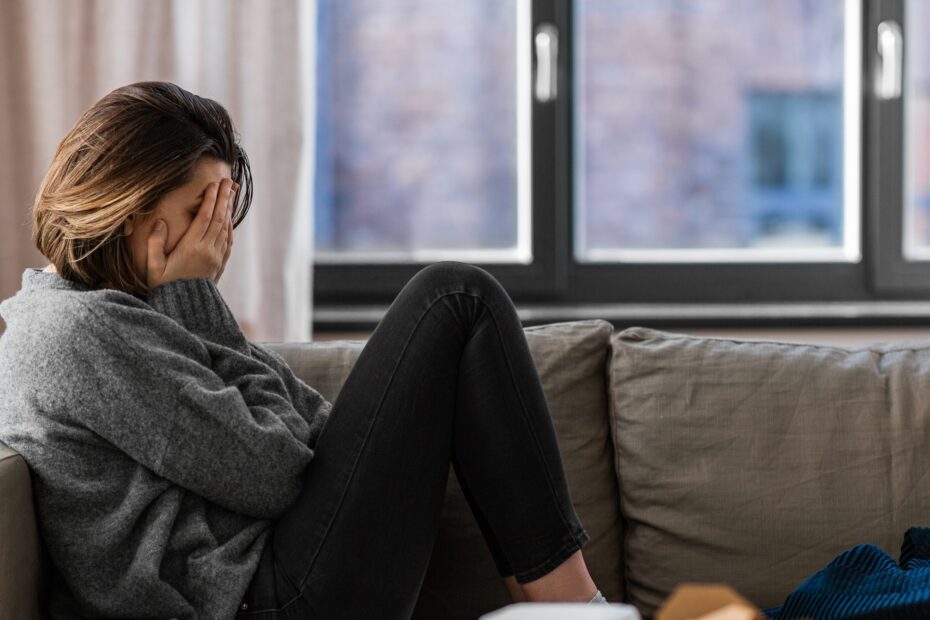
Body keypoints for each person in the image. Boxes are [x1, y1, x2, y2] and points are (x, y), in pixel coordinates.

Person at [0, 81, 605, 619]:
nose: (218, 240)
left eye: (222, 214)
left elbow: (310, 429)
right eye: (199, 212)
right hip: (261, 601)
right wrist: (194, 299)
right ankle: (580, 612)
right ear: (129, 210)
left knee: (459, 302)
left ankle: (573, 611)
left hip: (275, 580)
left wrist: (191, 309)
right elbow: (277, 474)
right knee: (453, 299)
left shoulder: (118, 317)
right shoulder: (76, 335)